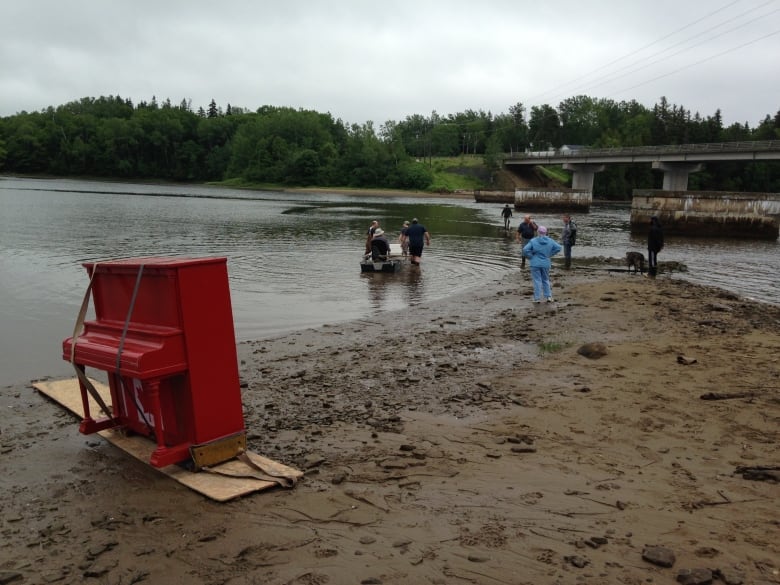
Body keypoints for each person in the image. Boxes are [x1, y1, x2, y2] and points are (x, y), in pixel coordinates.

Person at [522, 225, 562, 303]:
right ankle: (549, 297)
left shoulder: (533, 241)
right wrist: (550, 254)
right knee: (546, 280)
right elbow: (558, 248)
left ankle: (537, 298)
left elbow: (525, 249)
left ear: (537, 232)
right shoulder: (550, 241)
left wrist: (531, 256)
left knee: (537, 281)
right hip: (546, 263)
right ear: (546, 233)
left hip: (535, 263)